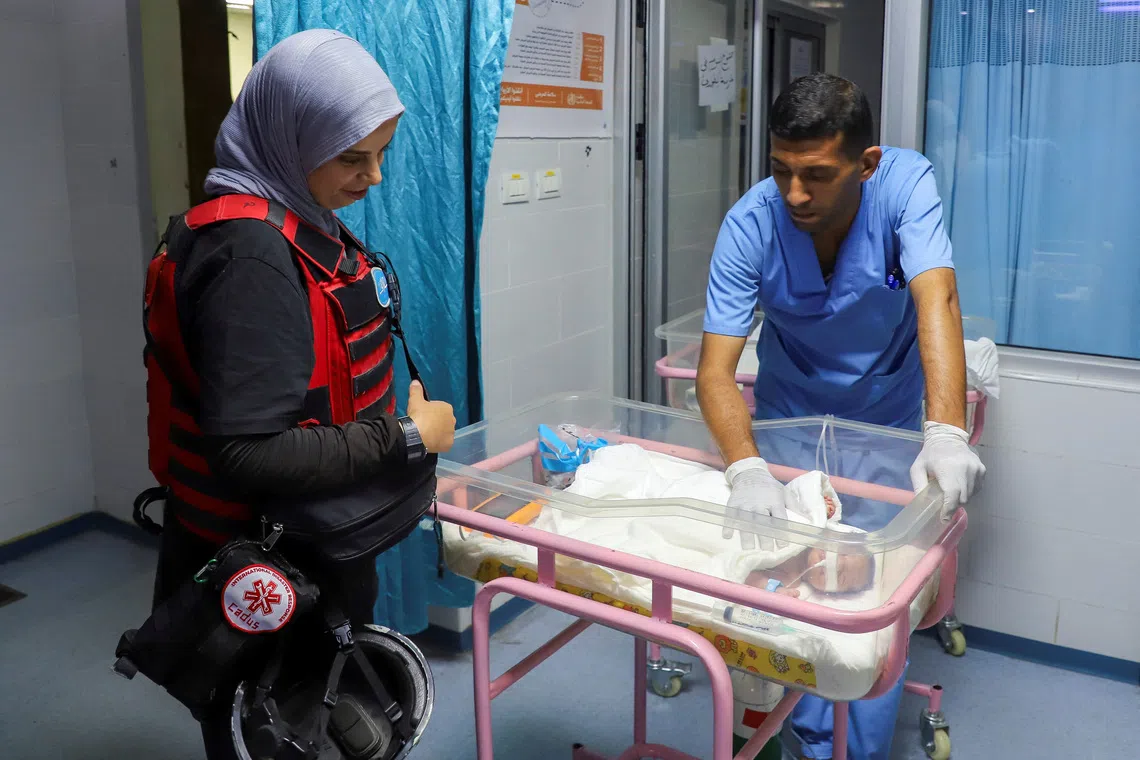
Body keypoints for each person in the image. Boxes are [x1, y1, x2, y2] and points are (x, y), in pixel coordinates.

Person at [144, 29, 457, 760]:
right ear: (287, 138)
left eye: (382, 152)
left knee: (303, 710)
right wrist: (410, 436)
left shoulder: (281, 219)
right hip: (270, 552)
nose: (374, 178)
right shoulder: (251, 257)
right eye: (353, 157)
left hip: (299, 535)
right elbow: (247, 452)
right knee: (279, 724)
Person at [696, 74, 985, 760]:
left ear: (866, 163)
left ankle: (846, 750)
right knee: (778, 592)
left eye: (816, 176)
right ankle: (775, 734)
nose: (794, 194)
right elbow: (714, 370)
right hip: (788, 420)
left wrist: (943, 430)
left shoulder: (905, 187)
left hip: (883, 423)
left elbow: (936, 299)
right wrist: (745, 468)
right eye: (781, 171)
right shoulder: (751, 223)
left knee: (866, 605)